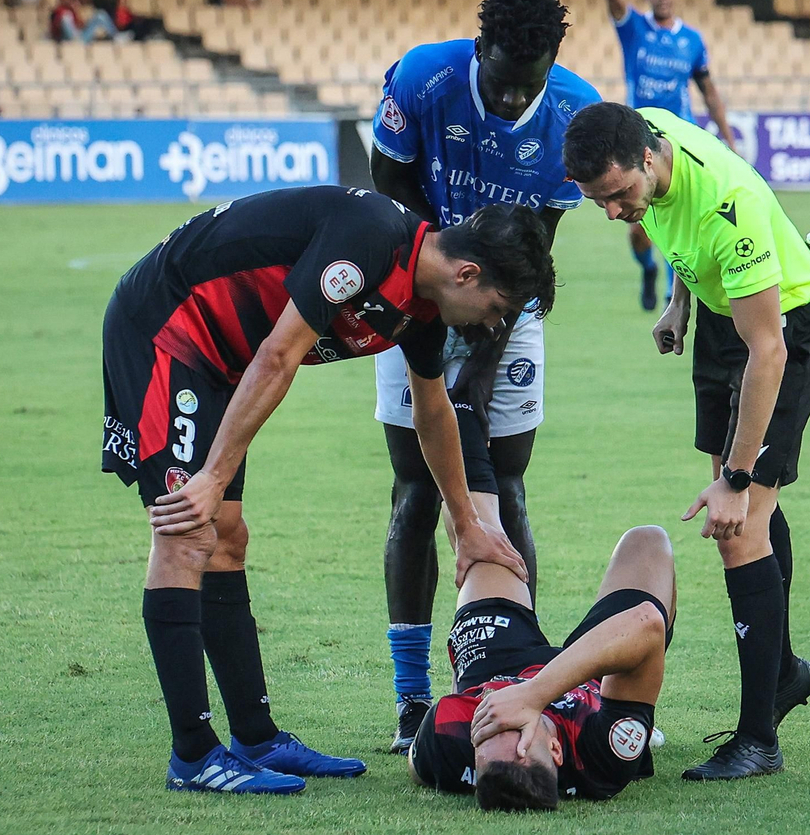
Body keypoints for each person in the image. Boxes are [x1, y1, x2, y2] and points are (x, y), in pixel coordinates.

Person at [100, 186, 553, 794]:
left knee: (228, 539)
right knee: (187, 534)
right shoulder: (370, 238)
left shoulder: (422, 304)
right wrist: (211, 477)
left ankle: (256, 737)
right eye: (498, 307)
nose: (494, 324)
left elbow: (432, 412)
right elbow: (277, 356)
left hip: (221, 360)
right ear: (467, 274)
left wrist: (468, 525)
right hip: (165, 329)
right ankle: (193, 756)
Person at [563, 103, 810, 780]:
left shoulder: (727, 207)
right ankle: (782, 671)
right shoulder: (644, 130)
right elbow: (678, 232)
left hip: (784, 328)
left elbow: (769, 351)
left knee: (739, 523)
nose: (614, 212)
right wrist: (679, 302)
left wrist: (736, 478)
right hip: (720, 316)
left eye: (618, 194)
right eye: (598, 202)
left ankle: (758, 741)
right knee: (750, 523)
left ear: (646, 158)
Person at [368, 0, 600, 756]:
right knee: (416, 486)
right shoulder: (422, 79)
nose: (510, 98)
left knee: (509, 484)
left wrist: (483, 351)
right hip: (420, 285)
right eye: (500, 80)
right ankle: (411, 697)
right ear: (479, 50)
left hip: (512, 300)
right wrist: (434, 299)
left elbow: (534, 255)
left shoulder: (572, 115)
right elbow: (389, 186)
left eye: (527, 85)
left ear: (551, 65)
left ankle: (523, 672)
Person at [409, 502, 674, 810]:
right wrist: (533, 695)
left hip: (497, 668)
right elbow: (647, 623)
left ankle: (481, 471)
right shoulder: (601, 757)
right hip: (595, 676)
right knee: (647, 541)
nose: (500, 713)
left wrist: (468, 683)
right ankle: (635, 709)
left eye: (486, 726)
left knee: (477, 528)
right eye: (512, 724)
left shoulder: (447, 742)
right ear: (555, 749)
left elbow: (418, 765)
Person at [599, 0, 737, 311]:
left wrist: (728, 140)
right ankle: (648, 268)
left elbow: (709, 91)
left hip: (680, 139)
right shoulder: (634, 29)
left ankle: (672, 294)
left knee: (683, 216)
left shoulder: (692, 41)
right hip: (638, 136)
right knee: (638, 227)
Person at [50, 0, 118, 43]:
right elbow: (56, 28)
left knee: (100, 14)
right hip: (69, 39)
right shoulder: (58, 10)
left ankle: (116, 36)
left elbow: (80, 25)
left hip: (80, 37)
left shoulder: (72, 10)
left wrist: (76, 10)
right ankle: (75, 41)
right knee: (66, 16)